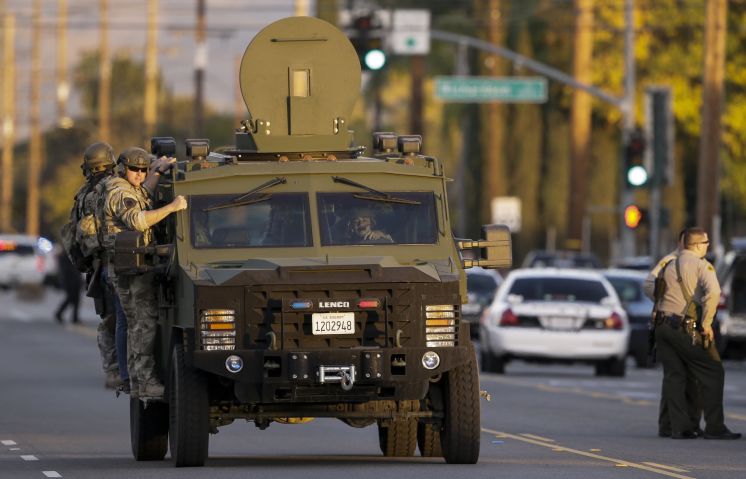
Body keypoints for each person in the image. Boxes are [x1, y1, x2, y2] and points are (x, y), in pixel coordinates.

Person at [98, 146, 185, 399]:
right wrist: (173, 207)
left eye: (143, 169)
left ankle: (137, 382)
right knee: (142, 325)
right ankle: (143, 382)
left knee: (137, 324)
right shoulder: (118, 190)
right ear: (122, 168)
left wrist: (156, 171)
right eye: (134, 169)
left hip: (132, 265)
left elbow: (143, 193)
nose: (139, 174)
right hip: (128, 269)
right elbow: (137, 220)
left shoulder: (129, 188)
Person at [653, 227, 740, 439]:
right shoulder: (702, 266)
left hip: (661, 326)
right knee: (713, 371)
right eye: (706, 243)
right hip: (685, 328)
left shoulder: (668, 265)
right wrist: (707, 324)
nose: (707, 246)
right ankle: (715, 426)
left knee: (675, 375)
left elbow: (652, 289)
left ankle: (676, 427)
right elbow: (715, 293)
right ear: (698, 245)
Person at [65, 142, 122, 389]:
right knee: (126, 320)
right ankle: (125, 370)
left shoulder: (83, 194)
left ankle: (112, 371)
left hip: (97, 266)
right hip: (116, 263)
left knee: (109, 320)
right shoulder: (112, 189)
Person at [644, 229, 702, 437]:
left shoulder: (698, 262)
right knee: (678, 376)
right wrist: (667, 301)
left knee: (677, 377)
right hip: (676, 324)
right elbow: (650, 284)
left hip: (688, 324)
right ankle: (677, 425)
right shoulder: (670, 260)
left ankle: (672, 424)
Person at [54, 248, 82, 324]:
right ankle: (59, 313)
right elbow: (65, 270)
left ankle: (74, 317)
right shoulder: (65, 255)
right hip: (69, 280)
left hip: (75, 279)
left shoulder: (72, 254)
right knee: (70, 297)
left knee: (76, 299)